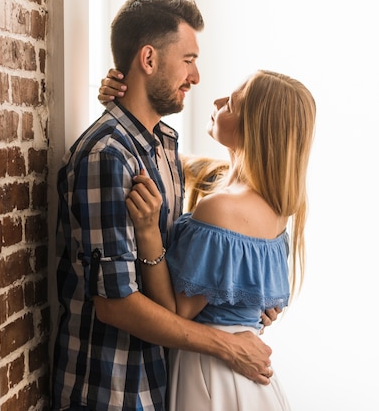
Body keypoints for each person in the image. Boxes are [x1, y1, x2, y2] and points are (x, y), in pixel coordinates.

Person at [52, 0, 275, 410]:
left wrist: (246, 293)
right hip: (111, 390)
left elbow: (192, 257)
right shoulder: (108, 156)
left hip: (158, 382)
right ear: (148, 59)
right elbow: (116, 305)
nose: (195, 76)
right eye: (188, 59)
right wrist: (226, 345)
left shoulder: (164, 147)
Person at [126, 69, 316, 410]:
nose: (216, 102)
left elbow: (174, 312)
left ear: (254, 127)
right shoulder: (278, 205)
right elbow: (178, 163)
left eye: (231, 103)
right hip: (249, 381)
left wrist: (147, 231)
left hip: (212, 373)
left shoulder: (222, 209)